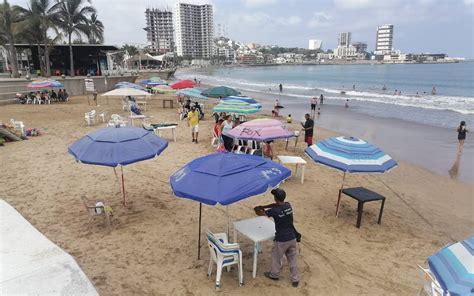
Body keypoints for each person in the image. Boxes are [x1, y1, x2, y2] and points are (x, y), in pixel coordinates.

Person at [254, 188, 299, 287]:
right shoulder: (288, 205)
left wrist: (258, 208)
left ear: (275, 198)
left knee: (276, 257)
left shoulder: (274, 211)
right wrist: (265, 206)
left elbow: (260, 214)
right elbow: (277, 205)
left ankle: (274, 274)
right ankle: (295, 279)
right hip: (292, 237)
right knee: (292, 259)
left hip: (281, 239)